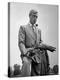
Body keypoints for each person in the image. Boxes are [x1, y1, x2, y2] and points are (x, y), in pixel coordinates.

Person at [18, 9, 56, 76]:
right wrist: (25, 52)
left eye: (36, 17)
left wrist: (47, 47)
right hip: (27, 53)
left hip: (37, 54)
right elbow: (21, 42)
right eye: (34, 16)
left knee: (36, 74)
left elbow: (40, 42)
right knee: (26, 65)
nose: (35, 18)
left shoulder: (39, 30)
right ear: (29, 16)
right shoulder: (23, 28)